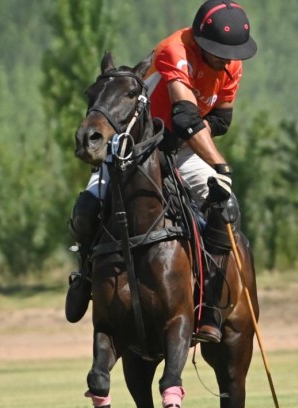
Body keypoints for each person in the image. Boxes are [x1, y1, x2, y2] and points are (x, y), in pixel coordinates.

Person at [65, 0, 258, 342]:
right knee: (87, 209)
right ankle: (84, 276)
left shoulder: (232, 64)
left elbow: (220, 120)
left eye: (231, 53)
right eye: (218, 51)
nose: (226, 59)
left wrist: (199, 152)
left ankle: (211, 307)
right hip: (137, 149)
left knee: (225, 208)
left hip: (184, 149)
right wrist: (218, 163)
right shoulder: (175, 50)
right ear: (199, 41)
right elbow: (184, 115)